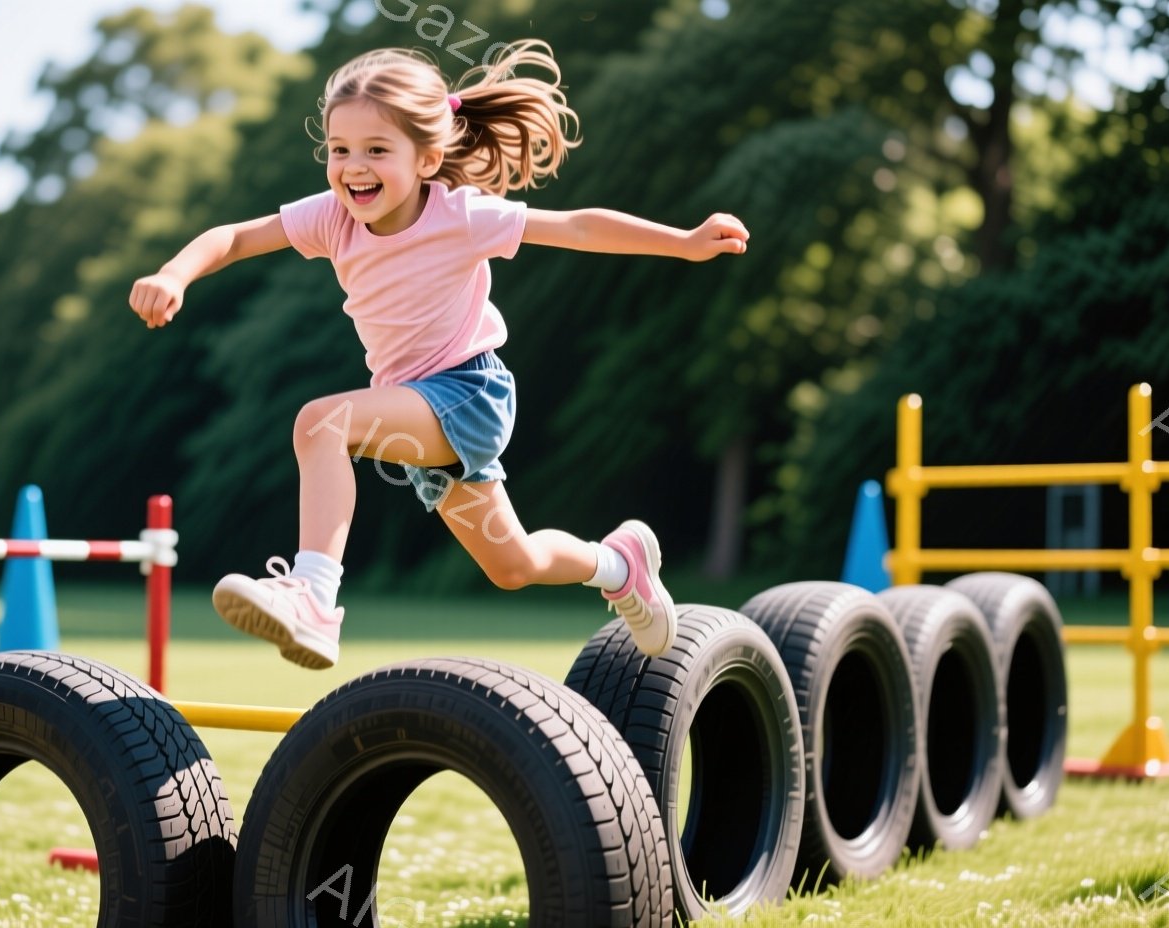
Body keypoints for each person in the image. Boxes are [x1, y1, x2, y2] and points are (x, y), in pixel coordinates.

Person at [128, 40, 749, 670]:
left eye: (376, 150)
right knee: (515, 564)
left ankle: (313, 596)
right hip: (417, 411)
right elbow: (234, 237)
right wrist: (175, 274)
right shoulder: (332, 219)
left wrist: (685, 243)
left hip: (469, 393)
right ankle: (619, 565)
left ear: (427, 159)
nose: (352, 167)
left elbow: (578, 227)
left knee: (322, 424)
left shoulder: (459, 216)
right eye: (339, 150)